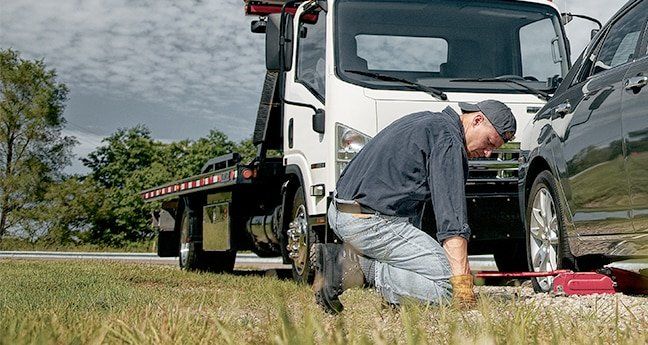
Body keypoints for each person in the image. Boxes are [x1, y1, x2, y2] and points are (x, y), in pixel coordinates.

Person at [312, 100, 516, 313]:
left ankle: (395, 298)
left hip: (341, 211)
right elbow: (452, 224)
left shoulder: (427, 121)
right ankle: (351, 267)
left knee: (429, 266)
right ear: (477, 120)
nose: (488, 153)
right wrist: (463, 285)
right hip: (369, 223)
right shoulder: (448, 142)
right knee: (447, 287)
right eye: (490, 142)